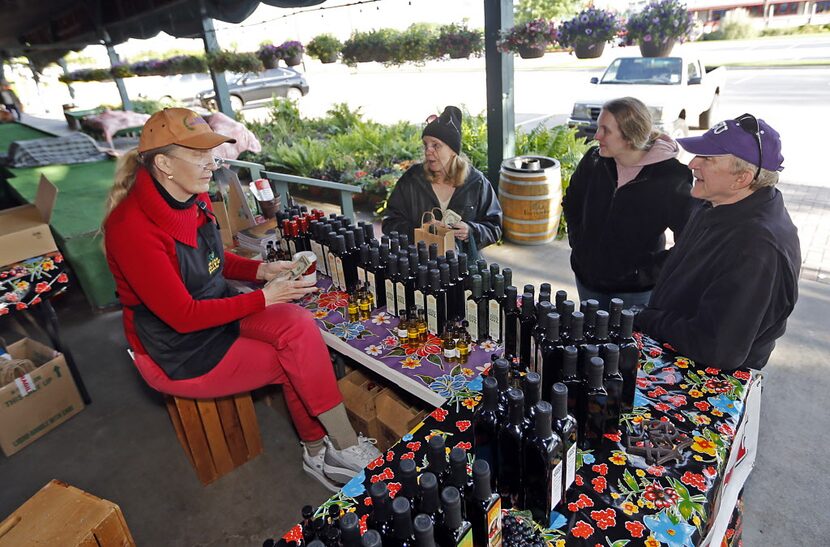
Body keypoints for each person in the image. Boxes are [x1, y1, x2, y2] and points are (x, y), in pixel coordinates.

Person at [103, 108, 380, 492]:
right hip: (178, 348)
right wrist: (265, 298)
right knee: (292, 361)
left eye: (212, 153)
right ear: (164, 164)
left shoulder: (191, 198)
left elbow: (212, 258)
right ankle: (319, 452)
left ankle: (341, 444)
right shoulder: (131, 229)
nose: (211, 164)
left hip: (215, 313)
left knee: (299, 326)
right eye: (199, 155)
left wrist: (260, 273)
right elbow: (182, 317)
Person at [635, 114, 800, 371]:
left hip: (710, 377)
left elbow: (717, 347)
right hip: (673, 347)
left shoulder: (756, 247)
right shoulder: (715, 201)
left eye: (707, 159)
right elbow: (689, 258)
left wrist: (649, 319)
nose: (692, 163)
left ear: (742, 178)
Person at [562, 97, 695, 311]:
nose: (597, 136)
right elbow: (572, 202)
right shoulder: (594, 160)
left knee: (627, 343)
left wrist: (647, 272)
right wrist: (578, 243)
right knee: (588, 340)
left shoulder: (670, 178)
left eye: (606, 130)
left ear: (630, 136)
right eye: (598, 128)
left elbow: (690, 239)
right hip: (587, 280)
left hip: (634, 292)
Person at [382, 105, 502, 258]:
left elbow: (495, 227)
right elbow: (390, 222)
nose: (428, 151)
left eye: (435, 145)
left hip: (462, 268)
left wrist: (471, 230)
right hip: (420, 266)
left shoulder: (476, 182)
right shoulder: (412, 179)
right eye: (426, 145)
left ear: (453, 151)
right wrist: (420, 230)